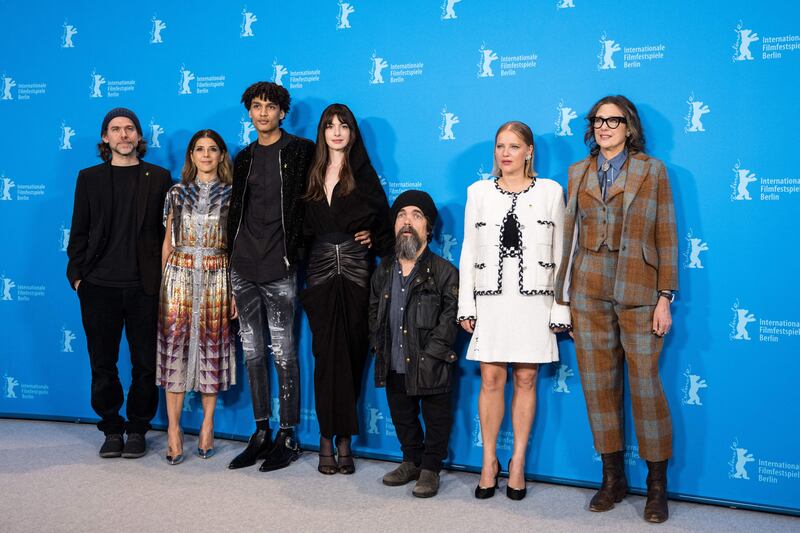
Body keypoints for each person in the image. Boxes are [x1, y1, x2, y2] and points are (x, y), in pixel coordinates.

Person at [554, 95, 678, 523]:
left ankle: (656, 487)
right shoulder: (578, 172)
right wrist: (563, 300)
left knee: (644, 386)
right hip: (588, 290)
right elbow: (567, 238)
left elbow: (667, 234)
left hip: (640, 289)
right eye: (598, 120)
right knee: (597, 387)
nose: (604, 126)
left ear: (629, 127)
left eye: (614, 120)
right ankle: (612, 479)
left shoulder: (652, 171)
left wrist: (666, 296)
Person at [458, 121, 570, 501]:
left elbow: (561, 253)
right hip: (490, 298)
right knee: (491, 380)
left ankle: (518, 462)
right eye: (500, 146)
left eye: (514, 146)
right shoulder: (478, 192)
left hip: (534, 302)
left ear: (529, 151)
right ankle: (489, 461)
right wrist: (465, 304)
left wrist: (561, 307)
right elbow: (468, 250)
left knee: (525, 380)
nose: (506, 153)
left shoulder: (553, 191)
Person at [66, 108, 172, 458]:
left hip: (144, 288)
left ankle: (138, 428)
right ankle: (111, 428)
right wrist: (79, 278)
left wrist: (160, 283)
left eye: (130, 129)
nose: (123, 135)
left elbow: (165, 234)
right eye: (116, 129)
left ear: (139, 137)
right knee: (103, 364)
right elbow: (78, 232)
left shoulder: (158, 177)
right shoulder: (89, 178)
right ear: (105, 138)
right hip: (98, 287)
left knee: (145, 364)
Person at [226, 81, 315, 472]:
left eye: (270, 106)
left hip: (279, 267)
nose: (263, 113)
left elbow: (313, 202)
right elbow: (234, 213)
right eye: (256, 106)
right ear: (249, 112)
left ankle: (289, 434)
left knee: (284, 353)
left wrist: (297, 255)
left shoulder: (301, 151)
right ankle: (260, 431)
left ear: (283, 112)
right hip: (242, 268)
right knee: (252, 354)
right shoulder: (243, 157)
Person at [301, 103, 393, 475]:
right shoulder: (309, 174)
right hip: (320, 274)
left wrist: (372, 236)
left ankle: (345, 441)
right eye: (329, 125)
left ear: (353, 133)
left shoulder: (365, 175)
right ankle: (326, 436)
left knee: (353, 356)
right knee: (325, 356)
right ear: (322, 132)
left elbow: (385, 229)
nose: (337, 131)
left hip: (357, 274)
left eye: (344, 125)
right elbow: (297, 228)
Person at [369, 190, 459, 498]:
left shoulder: (445, 272)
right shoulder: (383, 270)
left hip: (432, 362)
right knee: (402, 416)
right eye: (402, 216)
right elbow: (373, 311)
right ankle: (411, 461)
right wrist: (378, 346)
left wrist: (432, 354)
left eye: (416, 216)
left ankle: (430, 468)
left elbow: (450, 317)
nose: (408, 222)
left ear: (428, 228)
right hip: (393, 359)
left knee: (436, 418)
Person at [156, 130, 236, 464]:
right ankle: (173, 430)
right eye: (199, 149)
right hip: (178, 276)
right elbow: (168, 241)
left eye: (212, 149)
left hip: (218, 275)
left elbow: (235, 246)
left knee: (211, 348)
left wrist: (233, 290)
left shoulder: (232, 195)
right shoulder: (176, 192)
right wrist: (164, 282)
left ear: (221, 155)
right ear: (190, 155)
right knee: (174, 350)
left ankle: (207, 425)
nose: (206, 155)